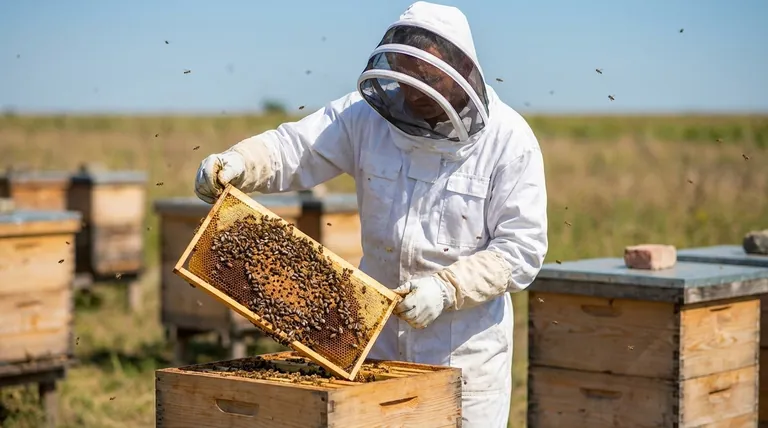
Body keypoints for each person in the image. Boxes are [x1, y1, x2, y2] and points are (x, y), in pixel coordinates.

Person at [193, 2, 548, 426]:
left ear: (459, 71)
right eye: (406, 80)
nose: (415, 95)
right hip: (372, 343)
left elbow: (521, 249)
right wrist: (241, 161)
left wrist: (447, 288)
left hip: (464, 357)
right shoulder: (367, 117)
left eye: (428, 82)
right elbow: (296, 148)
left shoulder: (510, 142)